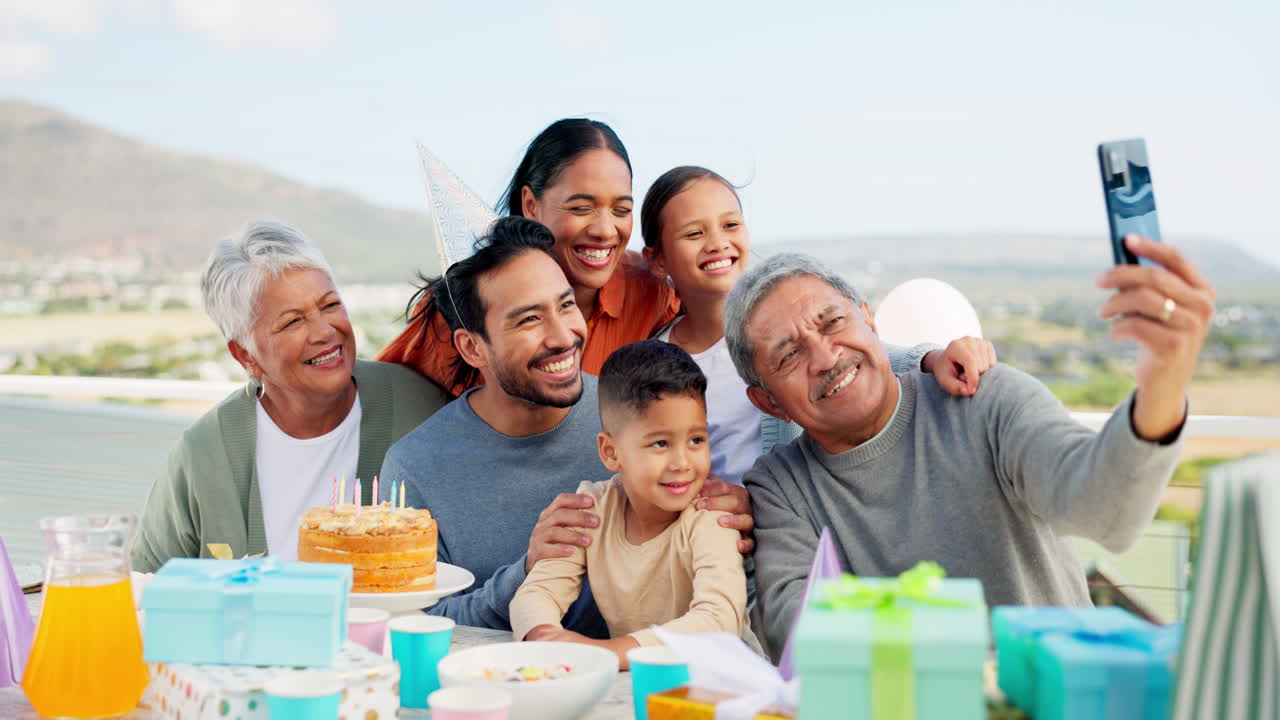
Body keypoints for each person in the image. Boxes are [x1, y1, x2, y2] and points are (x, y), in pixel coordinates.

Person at [728, 238, 1213, 661]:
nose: (825, 356)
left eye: (833, 321)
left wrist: (1163, 385)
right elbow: (799, 634)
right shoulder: (780, 488)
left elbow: (1106, 512)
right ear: (769, 403)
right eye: (789, 355)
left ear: (869, 320)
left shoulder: (984, 398)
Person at [639, 166, 998, 483]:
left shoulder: (782, 331)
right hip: (712, 529)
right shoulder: (653, 365)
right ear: (657, 260)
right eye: (694, 234)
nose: (718, 242)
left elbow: (861, 355)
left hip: (795, 512)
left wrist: (932, 360)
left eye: (730, 225)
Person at [132, 220, 449, 571]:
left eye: (330, 305)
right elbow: (145, 581)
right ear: (245, 355)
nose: (324, 332)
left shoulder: (422, 408)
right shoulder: (204, 454)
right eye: (292, 322)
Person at [377, 118, 678, 396]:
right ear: (531, 205)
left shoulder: (651, 292)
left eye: (621, 210)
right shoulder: (466, 303)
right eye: (581, 208)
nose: (605, 230)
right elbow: (388, 403)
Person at [510, 340, 747, 667]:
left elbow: (719, 620)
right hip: (638, 683)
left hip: (721, 682)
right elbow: (537, 592)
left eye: (696, 440)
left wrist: (608, 652)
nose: (682, 462)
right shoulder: (593, 509)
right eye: (661, 443)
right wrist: (545, 636)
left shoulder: (710, 516)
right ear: (611, 452)